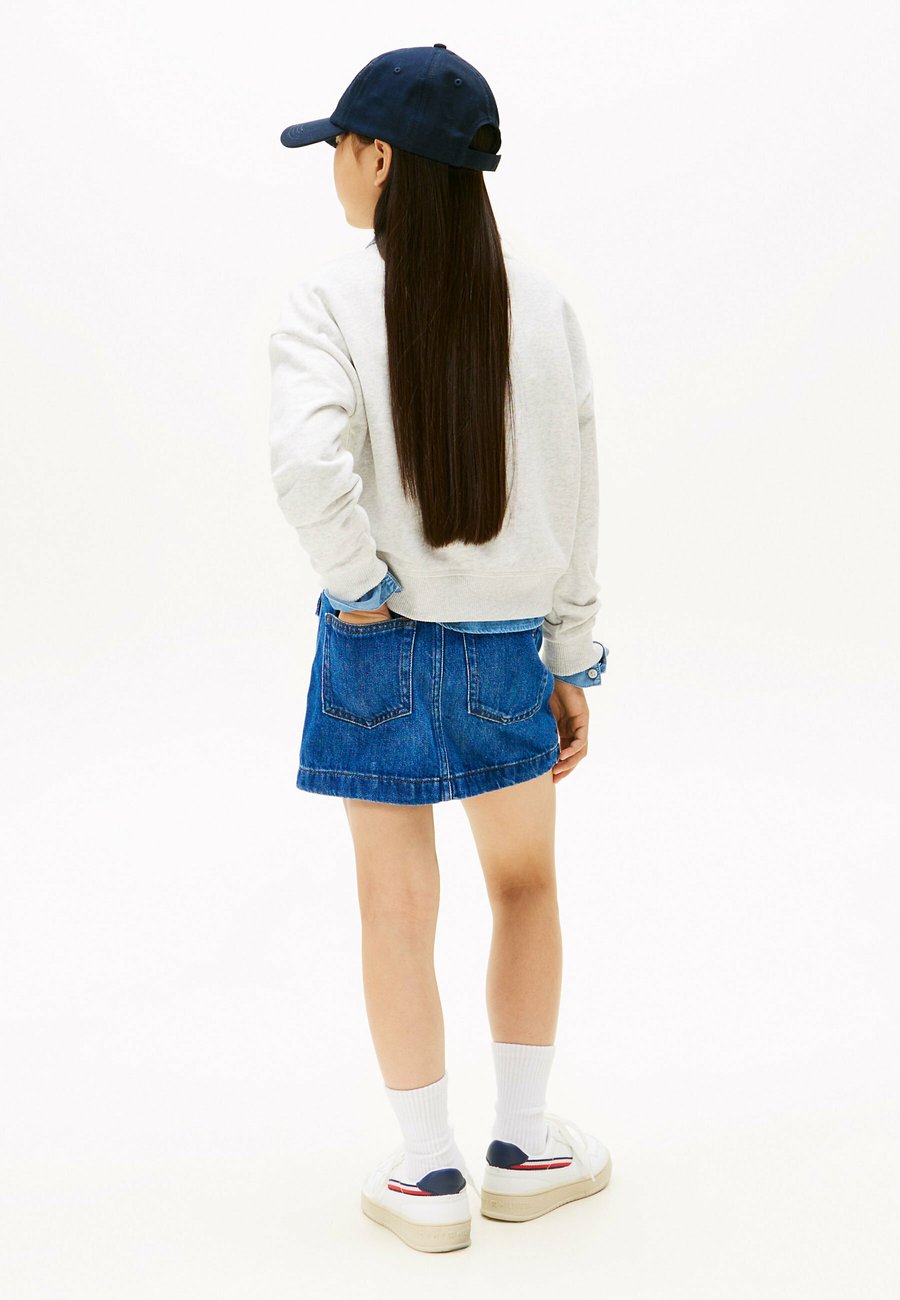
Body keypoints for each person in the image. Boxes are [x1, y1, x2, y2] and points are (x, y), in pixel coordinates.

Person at [269, 43, 612, 1253]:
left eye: (338, 149)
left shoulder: (328, 300)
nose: (333, 169)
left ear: (378, 158)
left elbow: (306, 467)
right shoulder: (546, 305)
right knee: (525, 885)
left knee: (394, 904)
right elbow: (576, 495)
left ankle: (428, 1173)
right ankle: (525, 1147)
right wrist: (570, 657)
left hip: (377, 647)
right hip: (508, 647)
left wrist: (361, 587)